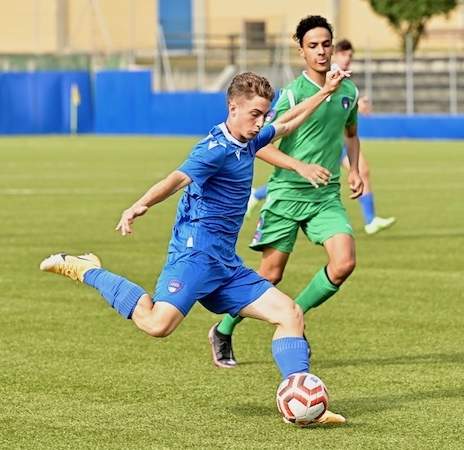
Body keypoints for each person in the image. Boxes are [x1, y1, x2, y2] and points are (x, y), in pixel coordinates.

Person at [39, 69, 350, 424]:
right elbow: (175, 179)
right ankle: (87, 269)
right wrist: (139, 204)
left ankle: (304, 402)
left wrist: (325, 91)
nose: (261, 121)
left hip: (224, 264)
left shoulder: (249, 139)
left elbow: (288, 124)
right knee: (157, 324)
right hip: (194, 256)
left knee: (289, 314)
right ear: (233, 108)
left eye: (264, 114)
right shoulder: (213, 150)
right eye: (255, 114)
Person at [209, 15, 364, 369]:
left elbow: (351, 135)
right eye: (313, 46)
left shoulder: (349, 91)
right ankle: (223, 328)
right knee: (269, 276)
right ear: (301, 51)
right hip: (286, 195)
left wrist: (354, 169)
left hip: (325, 196)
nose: (321, 51)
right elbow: (260, 146)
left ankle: (294, 317)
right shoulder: (293, 94)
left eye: (326, 44)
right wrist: (300, 165)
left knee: (344, 263)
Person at [247, 39, 395, 236]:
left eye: (351, 56)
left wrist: (355, 103)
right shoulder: (320, 74)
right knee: (303, 176)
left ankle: (370, 220)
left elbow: (341, 106)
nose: (348, 59)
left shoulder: (347, 86)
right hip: (315, 144)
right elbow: (323, 95)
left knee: (357, 170)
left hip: (333, 142)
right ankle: (257, 195)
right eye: (345, 55)